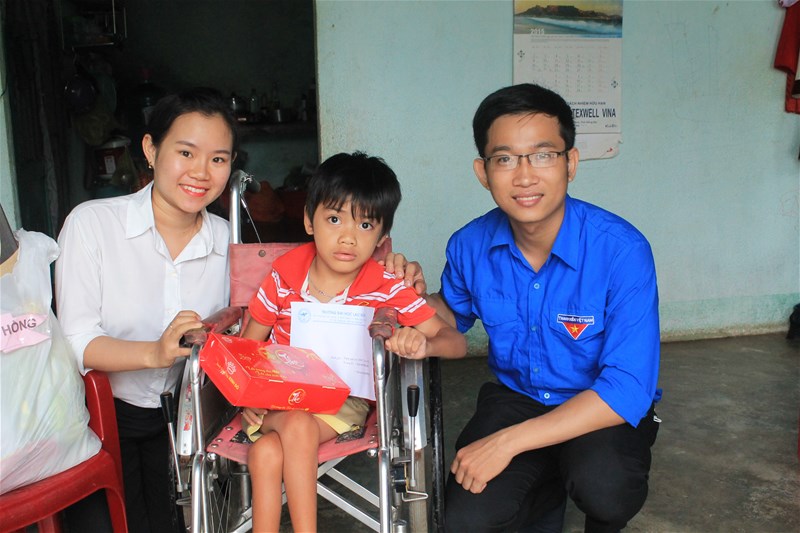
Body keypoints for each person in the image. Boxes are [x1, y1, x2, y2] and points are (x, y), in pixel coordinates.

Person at [409, 83, 661, 532]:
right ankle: (543, 487)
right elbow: (450, 316)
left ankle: (571, 483)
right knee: (464, 519)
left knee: (606, 487)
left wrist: (508, 443)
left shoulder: (621, 251)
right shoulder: (469, 244)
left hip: (596, 406)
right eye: (505, 159)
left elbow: (627, 388)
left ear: (571, 163)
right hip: (518, 398)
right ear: (483, 172)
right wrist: (400, 294)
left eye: (543, 155)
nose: (524, 177)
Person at [239, 151, 467, 533]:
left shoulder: (385, 286)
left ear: (382, 236)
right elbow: (249, 347)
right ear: (309, 220)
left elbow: (455, 341)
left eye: (365, 224)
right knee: (266, 451)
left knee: (282, 438)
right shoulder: (283, 276)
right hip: (277, 399)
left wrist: (424, 345)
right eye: (334, 219)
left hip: (342, 402)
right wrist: (250, 395)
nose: (348, 237)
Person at [55, 87, 238, 533]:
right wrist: (153, 353)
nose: (201, 172)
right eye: (186, 153)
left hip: (186, 421)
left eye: (218, 159)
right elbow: (75, 341)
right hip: (100, 420)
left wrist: (387, 269)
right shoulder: (92, 225)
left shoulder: (226, 238)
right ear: (151, 150)